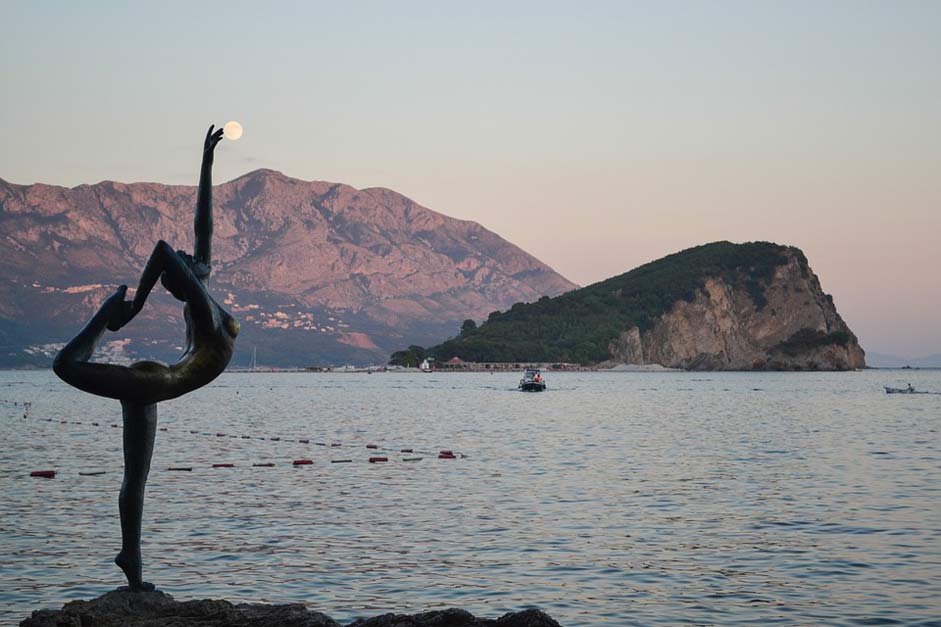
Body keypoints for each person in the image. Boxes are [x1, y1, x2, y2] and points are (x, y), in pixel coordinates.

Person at [53, 125, 238, 590]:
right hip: (157, 382)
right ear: (186, 282)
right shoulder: (207, 318)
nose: (191, 256)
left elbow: (204, 229)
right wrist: (128, 308)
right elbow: (162, 251)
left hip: (157, 383)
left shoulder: (207, 309)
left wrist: (207, 163)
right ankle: (101, 318)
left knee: (135, 478)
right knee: (65, 366)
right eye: (188, 263)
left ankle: (131, 562)